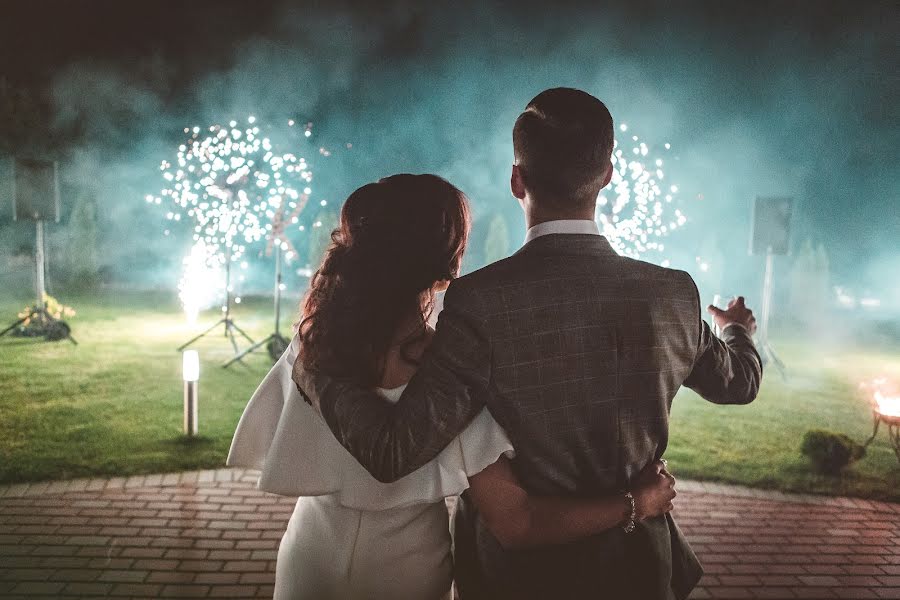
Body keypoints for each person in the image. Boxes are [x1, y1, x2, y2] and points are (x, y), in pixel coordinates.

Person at [295, 88, 763, 600]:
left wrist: (313, 363)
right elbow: (739, 383)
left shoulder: (477, 302)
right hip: (638, 570)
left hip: (517, 579)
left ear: (517, 179)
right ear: (607, 175)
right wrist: (735, 329)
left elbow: (395, 451)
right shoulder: (673, 293)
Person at [228, 173, 679, 600]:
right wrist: (636, 502)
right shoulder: (453, 371)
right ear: (448, 257)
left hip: (311, 554)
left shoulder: (312, 347)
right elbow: (516, 522)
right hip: (405, 568)